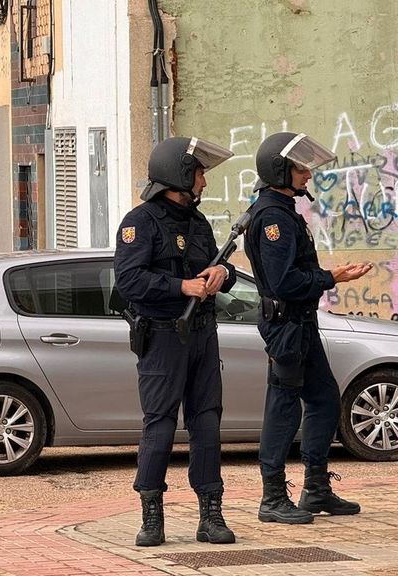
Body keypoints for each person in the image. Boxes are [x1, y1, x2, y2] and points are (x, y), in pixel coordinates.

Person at [114, 136, 237, 547]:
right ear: (180, 175)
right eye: (199, 173)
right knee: (160, 426)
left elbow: (218, 267)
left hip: (203, 333)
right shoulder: (140, 222)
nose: (204, 182)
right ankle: (152, 516)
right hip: (163, 336)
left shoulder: (198, 223)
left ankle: (211, 513)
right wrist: (179, 286)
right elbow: (129, 281)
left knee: (207, 421)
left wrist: (223, 276)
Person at [243, 132, 372, 525]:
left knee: (325, 399)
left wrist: (328, 275)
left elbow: (299, 274)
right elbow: (285, 283)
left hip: (300, 322)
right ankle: (272, 498)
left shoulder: (284, 211)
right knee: (282, 408)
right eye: (300, 168)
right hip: (286, 325)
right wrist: (332, 277)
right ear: (279, 170)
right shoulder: (273, 219)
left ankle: (316, 488)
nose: (307, 176)